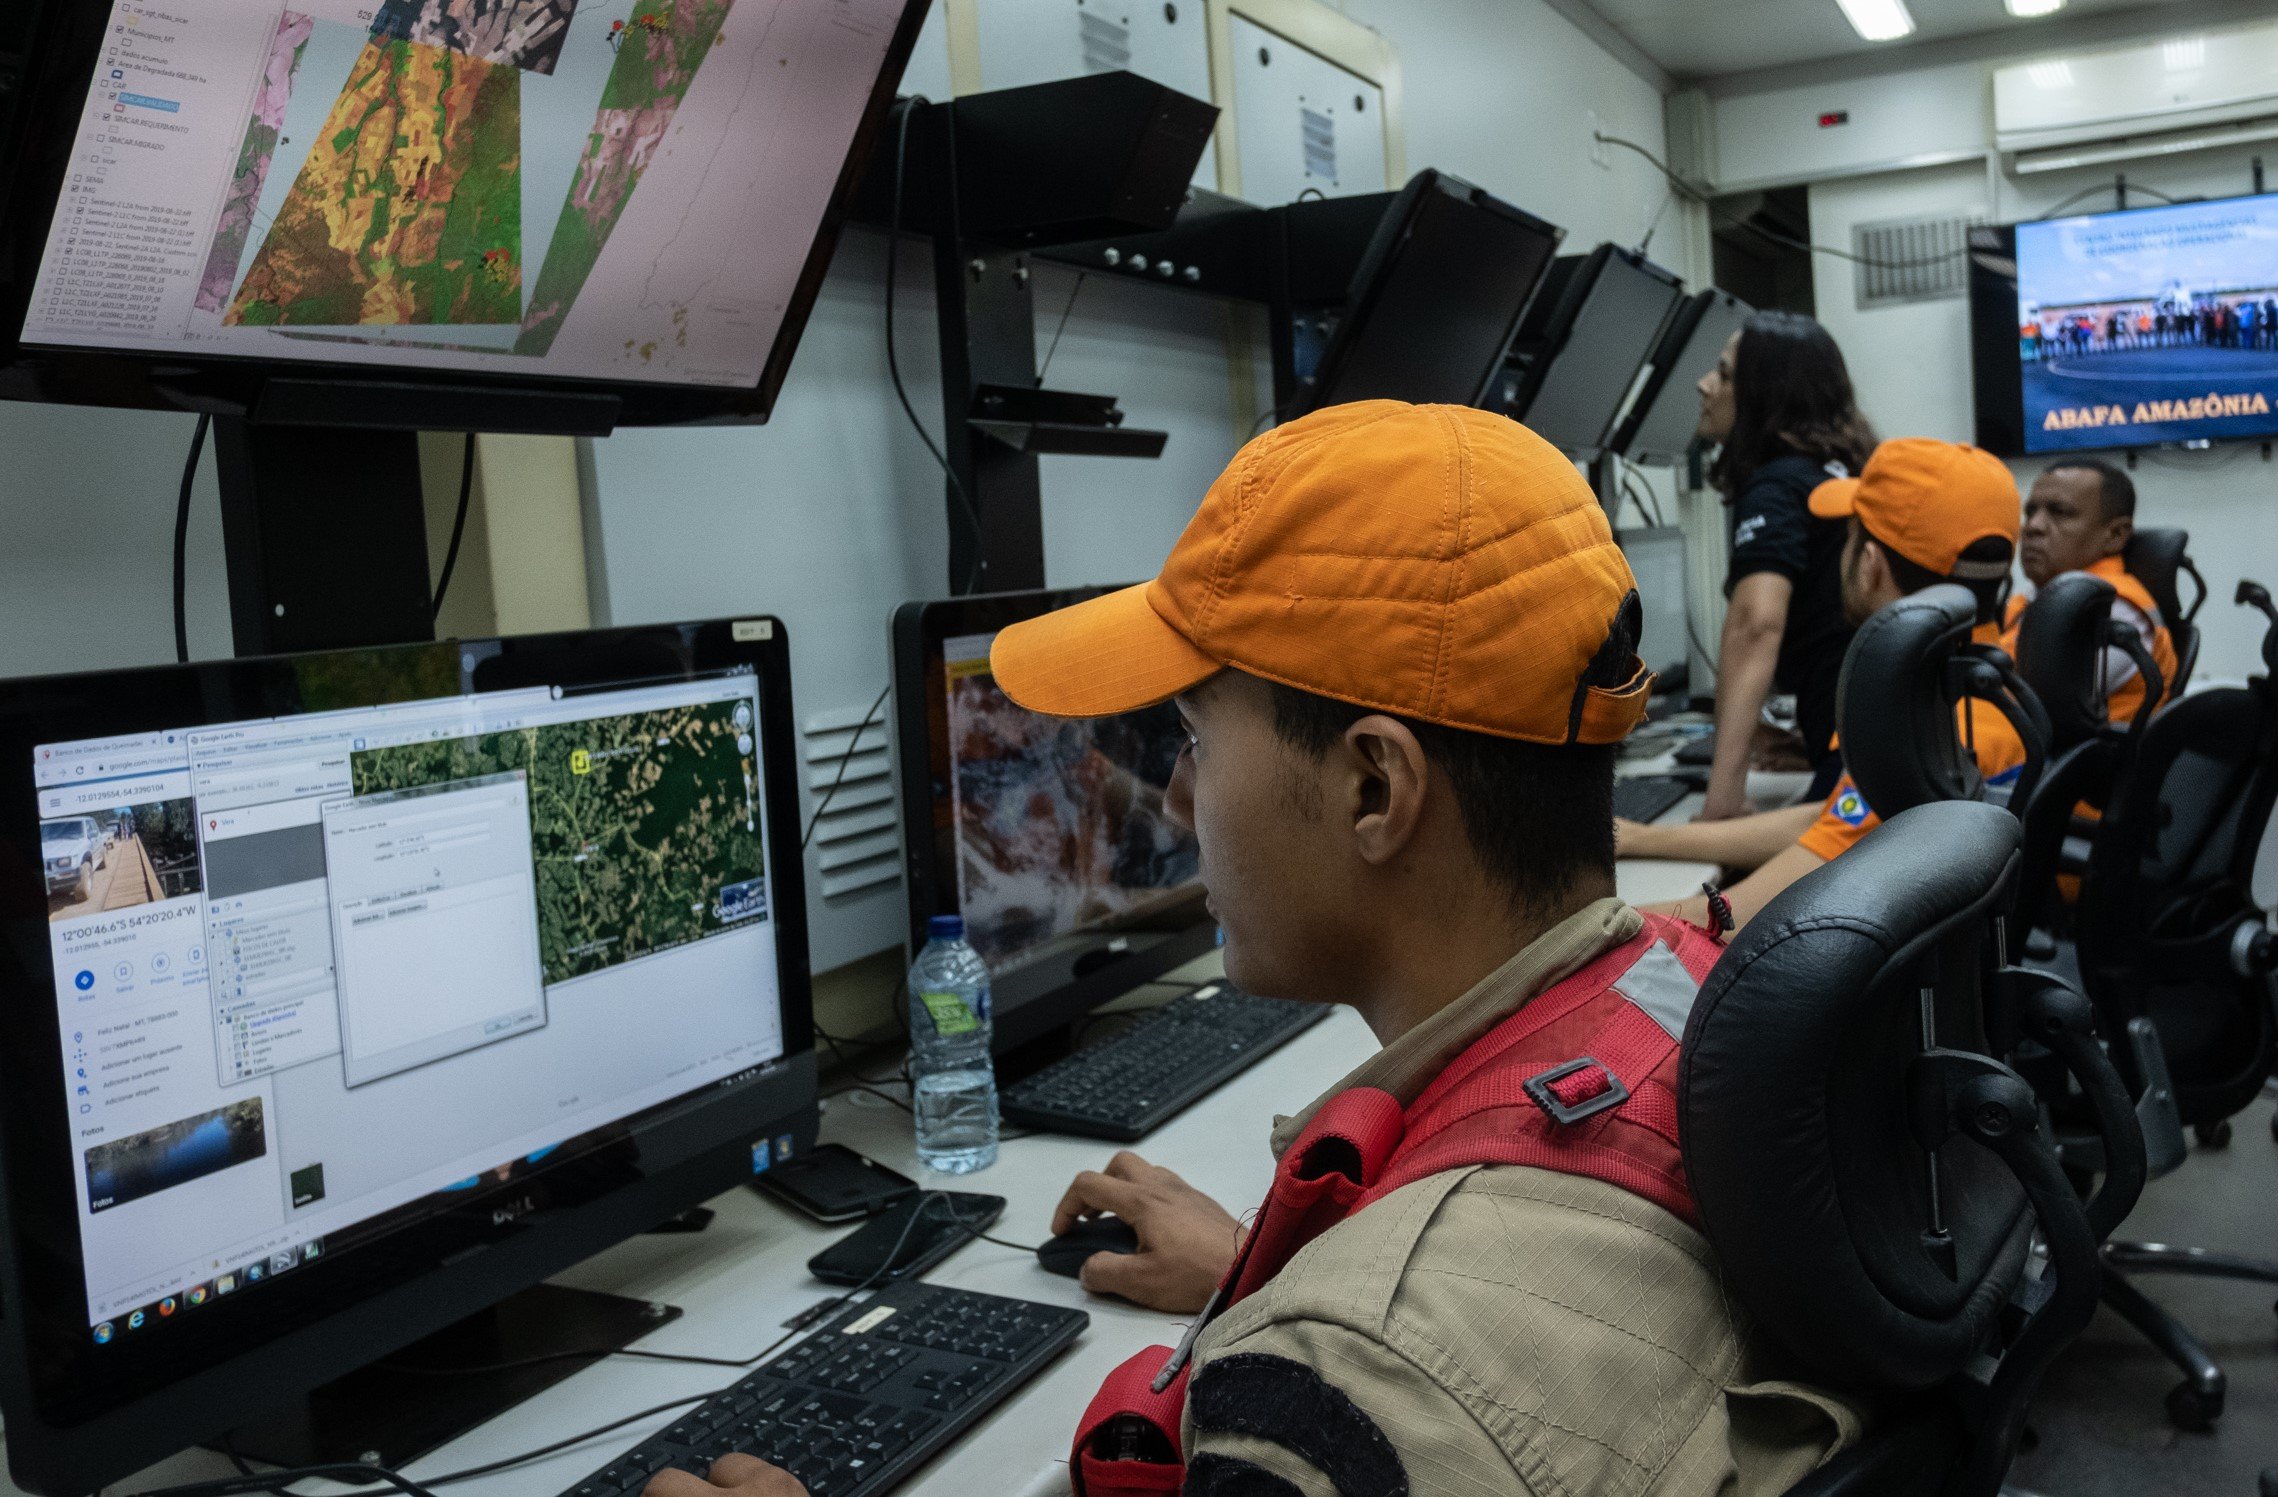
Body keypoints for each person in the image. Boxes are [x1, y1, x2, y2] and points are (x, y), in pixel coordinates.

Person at [645, 404, 1859, 1497]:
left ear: (1374, 788)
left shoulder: (1357, 1387)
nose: (1177, 806)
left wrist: (1342, 1306)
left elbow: (1425, 1370)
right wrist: (1278, 1266)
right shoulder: (1675, 995)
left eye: (1195, 743)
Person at [1619, 439, 2026, 932]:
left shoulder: (1927, 739)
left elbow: (1727, 923)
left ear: (1871, 564)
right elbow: (1834, 819)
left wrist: (1574, 929)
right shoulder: (1972, 695)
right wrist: (1642, 838)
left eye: (1847, 537)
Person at [1694, 312, 1877, 821]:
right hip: (1872, 745)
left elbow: (1756, 625)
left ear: (1764, 391)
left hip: (1856, 771)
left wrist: (1724, 793)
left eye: (1725, 375)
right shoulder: (1844, 470)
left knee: (1696, 898)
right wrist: (1812, 742)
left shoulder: (1778, 485)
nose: (1704, 385)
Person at [2000, 458, 2179, 722]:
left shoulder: (2115, 611)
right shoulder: (2037, 594)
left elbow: (2026, 701)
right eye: (2031, 512)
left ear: (2116, 534)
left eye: (2060, 512)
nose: (2033, 527)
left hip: (2080, 760)